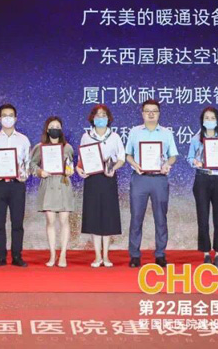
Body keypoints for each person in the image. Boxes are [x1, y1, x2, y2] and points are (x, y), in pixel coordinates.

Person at [125, 99, 178, 268]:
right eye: (147, 111)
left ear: (159, 114)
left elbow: (173, 155)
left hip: (159, 179)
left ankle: (160, 254)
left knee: (161, 218)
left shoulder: (166, 133)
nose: (150, 114)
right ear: (142, 114)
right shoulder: (134, 132)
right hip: (140, 178)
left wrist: (167, 164)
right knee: (136, 218)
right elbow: (128, 154)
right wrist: (135, 164)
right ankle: (134, 255)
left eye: (154, 111)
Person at [0, 104, 31, 267]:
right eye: (4, 115)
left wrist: (24, 175)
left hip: (17, 185)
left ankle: (17, 256)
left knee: (17, 223)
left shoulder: (23, 139)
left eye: (10, 115)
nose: (7, 118)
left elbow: (28, 162)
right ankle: (0, 257)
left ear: (15, 118)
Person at [77, 104, 125, 268]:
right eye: (98, 115)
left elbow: (121, 158)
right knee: (94, 217)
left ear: (108, 118)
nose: (101, 118)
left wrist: (113, 168)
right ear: (92, 118)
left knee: (108, 217)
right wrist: (79, 169)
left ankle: (106, 256)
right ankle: (97, 256)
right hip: (92, 179)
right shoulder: (86, 136)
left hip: (108, 178)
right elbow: (81, 159)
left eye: (103, 115)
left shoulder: (115, 137)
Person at [187, 106, 218, 269]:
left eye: (213, 118)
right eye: (207, 118)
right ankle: (206, 253)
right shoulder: (196, 139)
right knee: (203, 217)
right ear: (202, 120)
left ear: (217, 120)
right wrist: (195, 162)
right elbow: (189, 158)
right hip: (202, 179)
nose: (210, 121)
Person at [30, 116, 75, 268]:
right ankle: (52, 254)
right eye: (52, 126)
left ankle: (63, 255)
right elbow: (32, 164)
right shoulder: (40, 147)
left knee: (64, 221)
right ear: (47, 129)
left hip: (63, 185)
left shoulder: (67, 147)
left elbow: (70, 165)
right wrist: (39, 172)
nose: (55, 129)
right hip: (48, 185)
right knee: (50, 221)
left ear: (61, 130)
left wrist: (69, 170)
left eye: (57, 126)